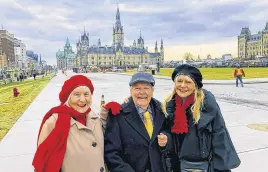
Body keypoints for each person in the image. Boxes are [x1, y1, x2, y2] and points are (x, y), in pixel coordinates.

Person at [32, 75, 121, 172]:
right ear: (68, 97)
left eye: (86, 94)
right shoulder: (54, 123)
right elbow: (44, 161)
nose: (82, 100)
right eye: (77, 94)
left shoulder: (93, 117)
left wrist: (108, 115)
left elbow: (104, 138)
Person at [160, 64, 241, 172]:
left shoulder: (207, 105)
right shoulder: (169, 105)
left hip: (202, 166)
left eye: (188, 82)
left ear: (196, 85)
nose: (182, 85)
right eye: (179, 81)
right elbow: (168, 132)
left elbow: (219, 136)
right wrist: (166, 138)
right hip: (178, 165)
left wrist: (220, 168)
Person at [104, 72, 171, 172]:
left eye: (146, 88)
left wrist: (166, 140)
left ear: (152, 91)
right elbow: (111, 153)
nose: (142, 92)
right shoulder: (118, 115)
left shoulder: (163, 111)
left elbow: (170, 134)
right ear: (131, 91)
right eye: (137, 88)